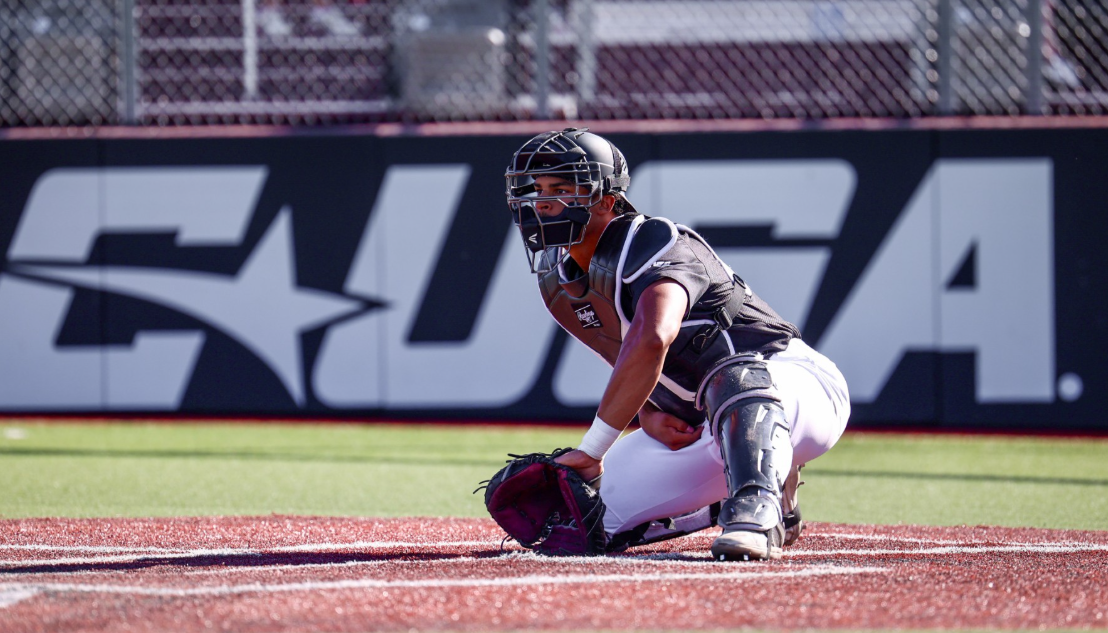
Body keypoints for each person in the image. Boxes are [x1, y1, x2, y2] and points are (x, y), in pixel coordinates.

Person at [504, 128, 850, 561]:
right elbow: (629, 359)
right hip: (704, 423)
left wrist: (593, 450)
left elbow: (654, 337)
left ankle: (756, 511)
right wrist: (648, 413)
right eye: (535, 190)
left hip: (794, 386)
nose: (543, 202)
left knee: (733, 374)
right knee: (576, 522)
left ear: (606, 200)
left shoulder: (652, 241)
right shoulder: (559, 282)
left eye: (561, 188)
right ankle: (746, 495)